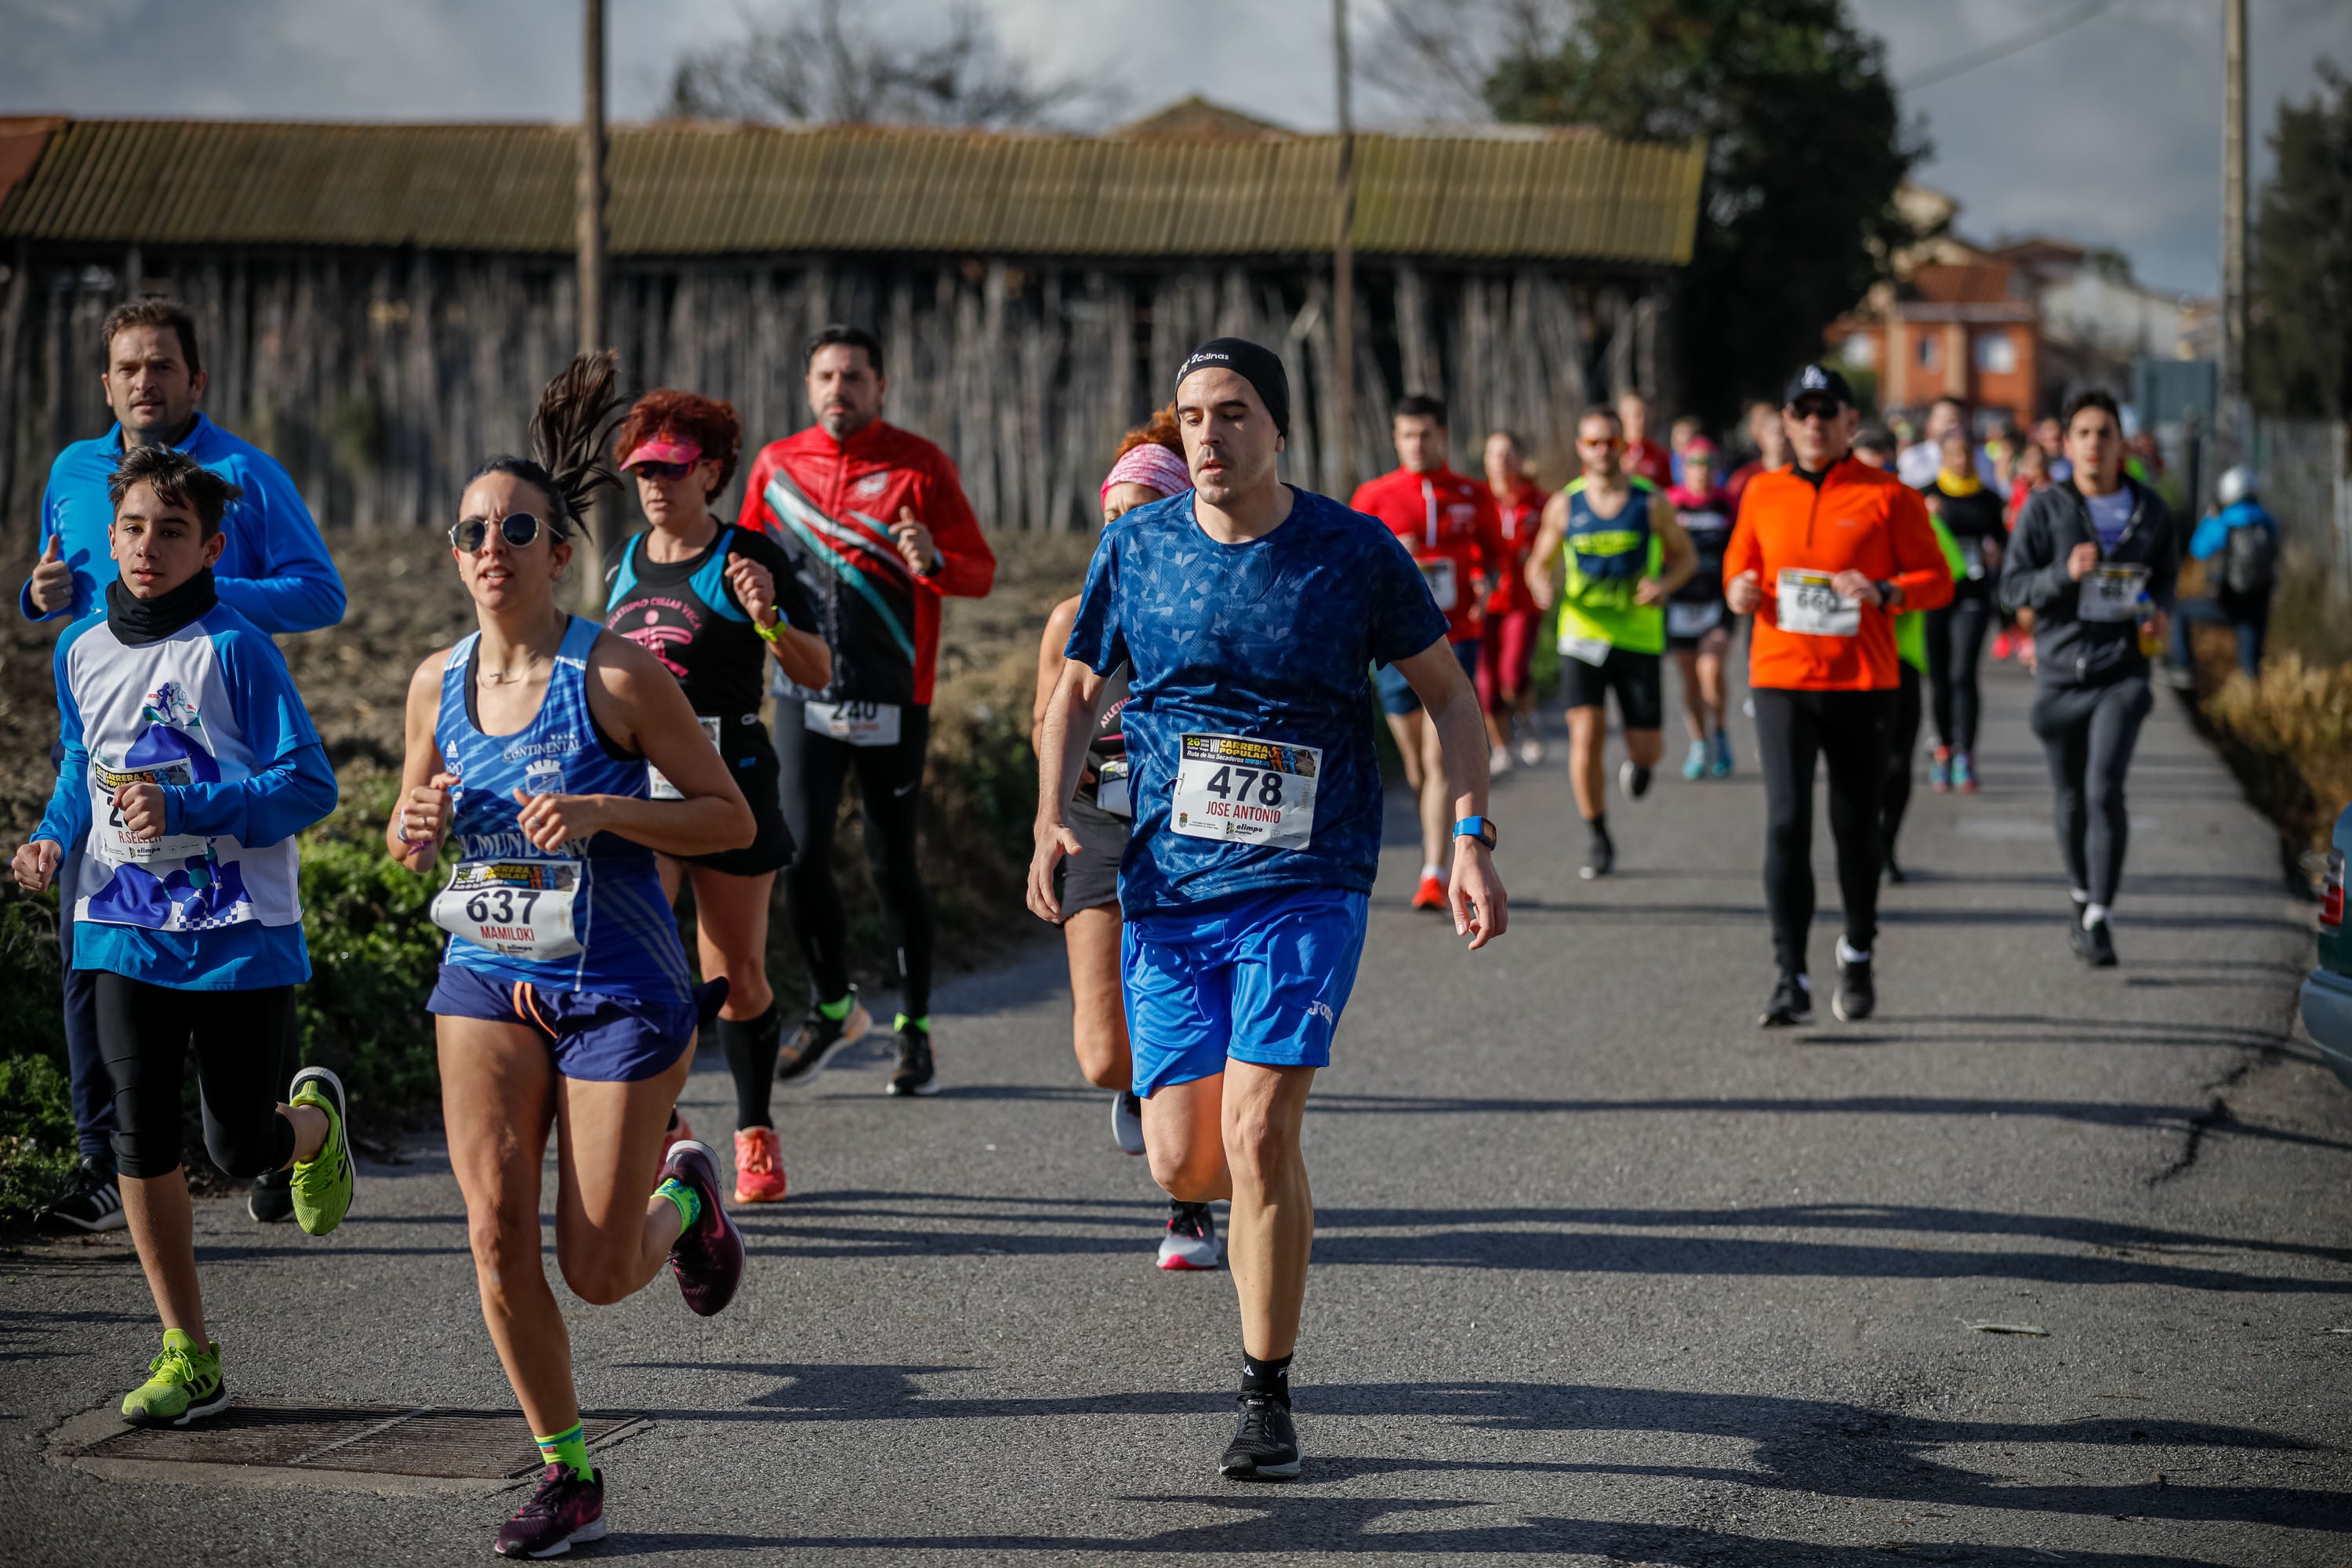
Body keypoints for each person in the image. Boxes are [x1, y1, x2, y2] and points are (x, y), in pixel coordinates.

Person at [1029, 336, 1505, 1483]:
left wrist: (1473, 836)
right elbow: (1078, 688)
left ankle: (1266, 1392)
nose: (1208, 434)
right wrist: (1048, 815)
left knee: (1257, 1132)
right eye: (1192, 415)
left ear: (1277, 430)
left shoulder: (1352, 551)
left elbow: (1452, 698)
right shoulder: (1136, 549)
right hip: (1169, 889)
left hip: (1310, 876)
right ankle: (1258, 1207)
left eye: (1233, 412)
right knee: (1186, 1162)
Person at [387, 354, 756, 1558]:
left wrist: (607, 814)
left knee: (596, 1271)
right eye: (474, 529)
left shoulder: (613, 674)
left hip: (619, 989)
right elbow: (408, 825)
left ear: (560, 554)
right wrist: (411, 825)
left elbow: (729, 820)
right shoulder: (433, 683)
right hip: (488, 978)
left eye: (520, 529)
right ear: (458, 554)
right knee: (495, 1233)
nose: (494, 545)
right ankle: (569, 1472)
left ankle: (686, 1191)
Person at [13, 442, 348, 1432]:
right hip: (120, 920)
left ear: (210, 546)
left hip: (239, 929)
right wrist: (49, 834)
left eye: (171, 530)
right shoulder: (81, 648)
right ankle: (189, 1350)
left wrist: (193, 804)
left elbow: (310, 785)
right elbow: (86, 765)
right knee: (138, 1132)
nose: (147, 546)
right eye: (131, 528)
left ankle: (314, 1123)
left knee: (238, 1146)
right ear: (106, 536)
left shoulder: (239, 648)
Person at [24, 299, 347, 1236]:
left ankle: (284, 1130)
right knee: (107, 1022)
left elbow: (320, 591)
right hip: (111, 814)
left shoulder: (240, 479)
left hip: (216, 778)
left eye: (161, 365)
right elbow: (66, 605)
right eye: (127, 367)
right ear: (105, 383)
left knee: (236, 1137)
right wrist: (41, 594)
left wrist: (196, 597)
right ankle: (106, 1169)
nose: (144, 382)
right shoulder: (73, 471)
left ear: (194, 378)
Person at [742, 325, 996, 1098]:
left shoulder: (920, 466)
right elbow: (744, 563)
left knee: (893, 865)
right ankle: (832, 1004)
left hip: (895, 694)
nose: (837, 389)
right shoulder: (777, 466)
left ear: (880, 386)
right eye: (825, 375)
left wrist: (936, 561)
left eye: (854, 376)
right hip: (803, 692)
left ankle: (913, 1028)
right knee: (800, 852)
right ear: (808, 383)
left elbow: (979, 570)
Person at [601, 390, 832, 1204]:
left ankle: (755, 1128)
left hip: (729, 779)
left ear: (709, 471)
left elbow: (816, 671)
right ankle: (664, 1127)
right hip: (641, 788)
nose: (656, 484)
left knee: (733, 968)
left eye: (671, 468)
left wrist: (769, 620)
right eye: (642, 470)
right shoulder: (623, 561)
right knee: (632, 958)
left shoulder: (747, 554)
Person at [1029, 416, 1215, 1269]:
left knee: (1193, 1024)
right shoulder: (1073, 614)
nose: (1124, 529)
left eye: (1142, 511)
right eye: (1113, 513)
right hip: (1101, 823)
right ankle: (1147, 1089)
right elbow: (1049, 722)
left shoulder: (1208, 609)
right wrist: (1046, 821)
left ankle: (1190, 1205)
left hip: (1197, 833)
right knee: (1106, 1052)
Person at [1723, 366, 1952, 1025]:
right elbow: (1738, 568)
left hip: (1862, 683)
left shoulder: (1890, 497)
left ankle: (1857, 951)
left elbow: (1936, 581)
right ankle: (1788, 974)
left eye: (1828, 412)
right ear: (1786, 423)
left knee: (1855, 830)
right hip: (1781, 679)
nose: (1815, 424)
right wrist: (1737, 590)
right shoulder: (1762, 493)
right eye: (1803, 412)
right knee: (1787, 823)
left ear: (1851, 422)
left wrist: (1886, 591)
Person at [1998, 389, 2177, 968]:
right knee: (2071, 797)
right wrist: (2062, 573)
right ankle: (2080, 890)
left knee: (2104, 788)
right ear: (2067, 443)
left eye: (2105, 433)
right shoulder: (2046, 508)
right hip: (2058, 673)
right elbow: (2012, 589)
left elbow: (2167, 581)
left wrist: (2158, 610)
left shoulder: (2151, 512)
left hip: (2121, 673)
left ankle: (2100, 912)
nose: (2095, 444)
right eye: (2084, 433)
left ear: (2122, 443)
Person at [1350, 395, 1508, 912]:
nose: (1417, 444)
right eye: (1408, 435)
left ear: (1442, 436)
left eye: (1426, 434)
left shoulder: (1471, 492)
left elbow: (1497, 555)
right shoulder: (1374, 495)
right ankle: (1433, 831)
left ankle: (1433, 872)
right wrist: (1398, 551)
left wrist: (1487, 581)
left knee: (1440, 762)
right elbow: (1350, 567)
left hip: (1454, 634)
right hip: (1394, 644)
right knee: (1419, 767)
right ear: (1395, 439)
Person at [1526, 405, 1696, 878]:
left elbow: (1685, 558)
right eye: (1594, 442)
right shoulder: (1565, 503)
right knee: (1586, 734)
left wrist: (1663, 585)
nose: (1603, 451)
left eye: (1611, 442)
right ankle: (1598, 835)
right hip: (1582, 635)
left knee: (1649, 748)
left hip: (1638, 636)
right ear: (1581, 448)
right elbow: (1537, 563)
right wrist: (1540, 584)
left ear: (1625, 447)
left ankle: (1639, 767)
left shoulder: (1651, 502)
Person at [1857, 426, 1968, 883]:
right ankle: (1860, 844)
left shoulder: (1914, 512)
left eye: (1885, 468)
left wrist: (1895, 590)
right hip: (1846, 662)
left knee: (1898, 763)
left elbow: (1949, 578)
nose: (1875, 478)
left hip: (1900, 658)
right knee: (1857, 765)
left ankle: (1885, 844)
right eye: (1865, 468)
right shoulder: (1832, 515)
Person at [1919, 423, 2006, 793]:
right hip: (1935, 594)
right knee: (1939, 677)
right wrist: (1926, 516)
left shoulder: (1987, 499)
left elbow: (2003, 542)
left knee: (1962, 673)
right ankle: (1942, 748)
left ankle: (1965, 754)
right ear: (1942, 455)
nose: (1960, 460)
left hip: (1973, 593)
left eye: (1967, 454)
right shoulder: (1926, 495)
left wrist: (1995, 553)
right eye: (1953, 453)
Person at [1663, 437, 1735, 780]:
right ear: (1683, 467)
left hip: (1716, 601)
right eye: (1694, 463)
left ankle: (1719, 730)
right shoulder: (1671, 502)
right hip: (1679, 603)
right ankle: (1699, 743)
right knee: (1689, 680)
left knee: (1711, 670)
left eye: (1707, 463)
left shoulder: (1726, 504)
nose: (1701, 470)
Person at [1478, 430, 1549, 771]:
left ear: (1520, 459)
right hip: (1484, 604)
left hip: (1523, 601)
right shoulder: (1477, 500)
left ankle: (1528, 722)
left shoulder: (1539, 501)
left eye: (1508, 454)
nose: (1501, 461)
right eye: (1494, 454)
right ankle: (1502, 748)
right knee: (1486, 684)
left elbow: (1555, 545)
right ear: (1485, 461)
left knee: (1512, 673)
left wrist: (1541, 567)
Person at [2169, 465, 2277, 684]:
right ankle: (2251, 706)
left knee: (2179, 612)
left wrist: (2211, 517)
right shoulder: (2268, 521)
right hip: (2259, 604)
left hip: (2227, 604)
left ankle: (2181, 669)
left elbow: (2198, 549)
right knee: (2250, 671)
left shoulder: (2225, 520)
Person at [1725, 400, 1789, 519]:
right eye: (1772, 431)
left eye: (1783, 430)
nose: (1779, 436)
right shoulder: (1743, 478)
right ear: (1760, 437)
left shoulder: (1804, 476)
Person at [1617, 390, 1673, 487]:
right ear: (1622, 417)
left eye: (1647, 415)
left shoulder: (1660, 456)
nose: (1643, 421)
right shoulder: (1609, 452)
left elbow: (1668, 494)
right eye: (1637, 415)